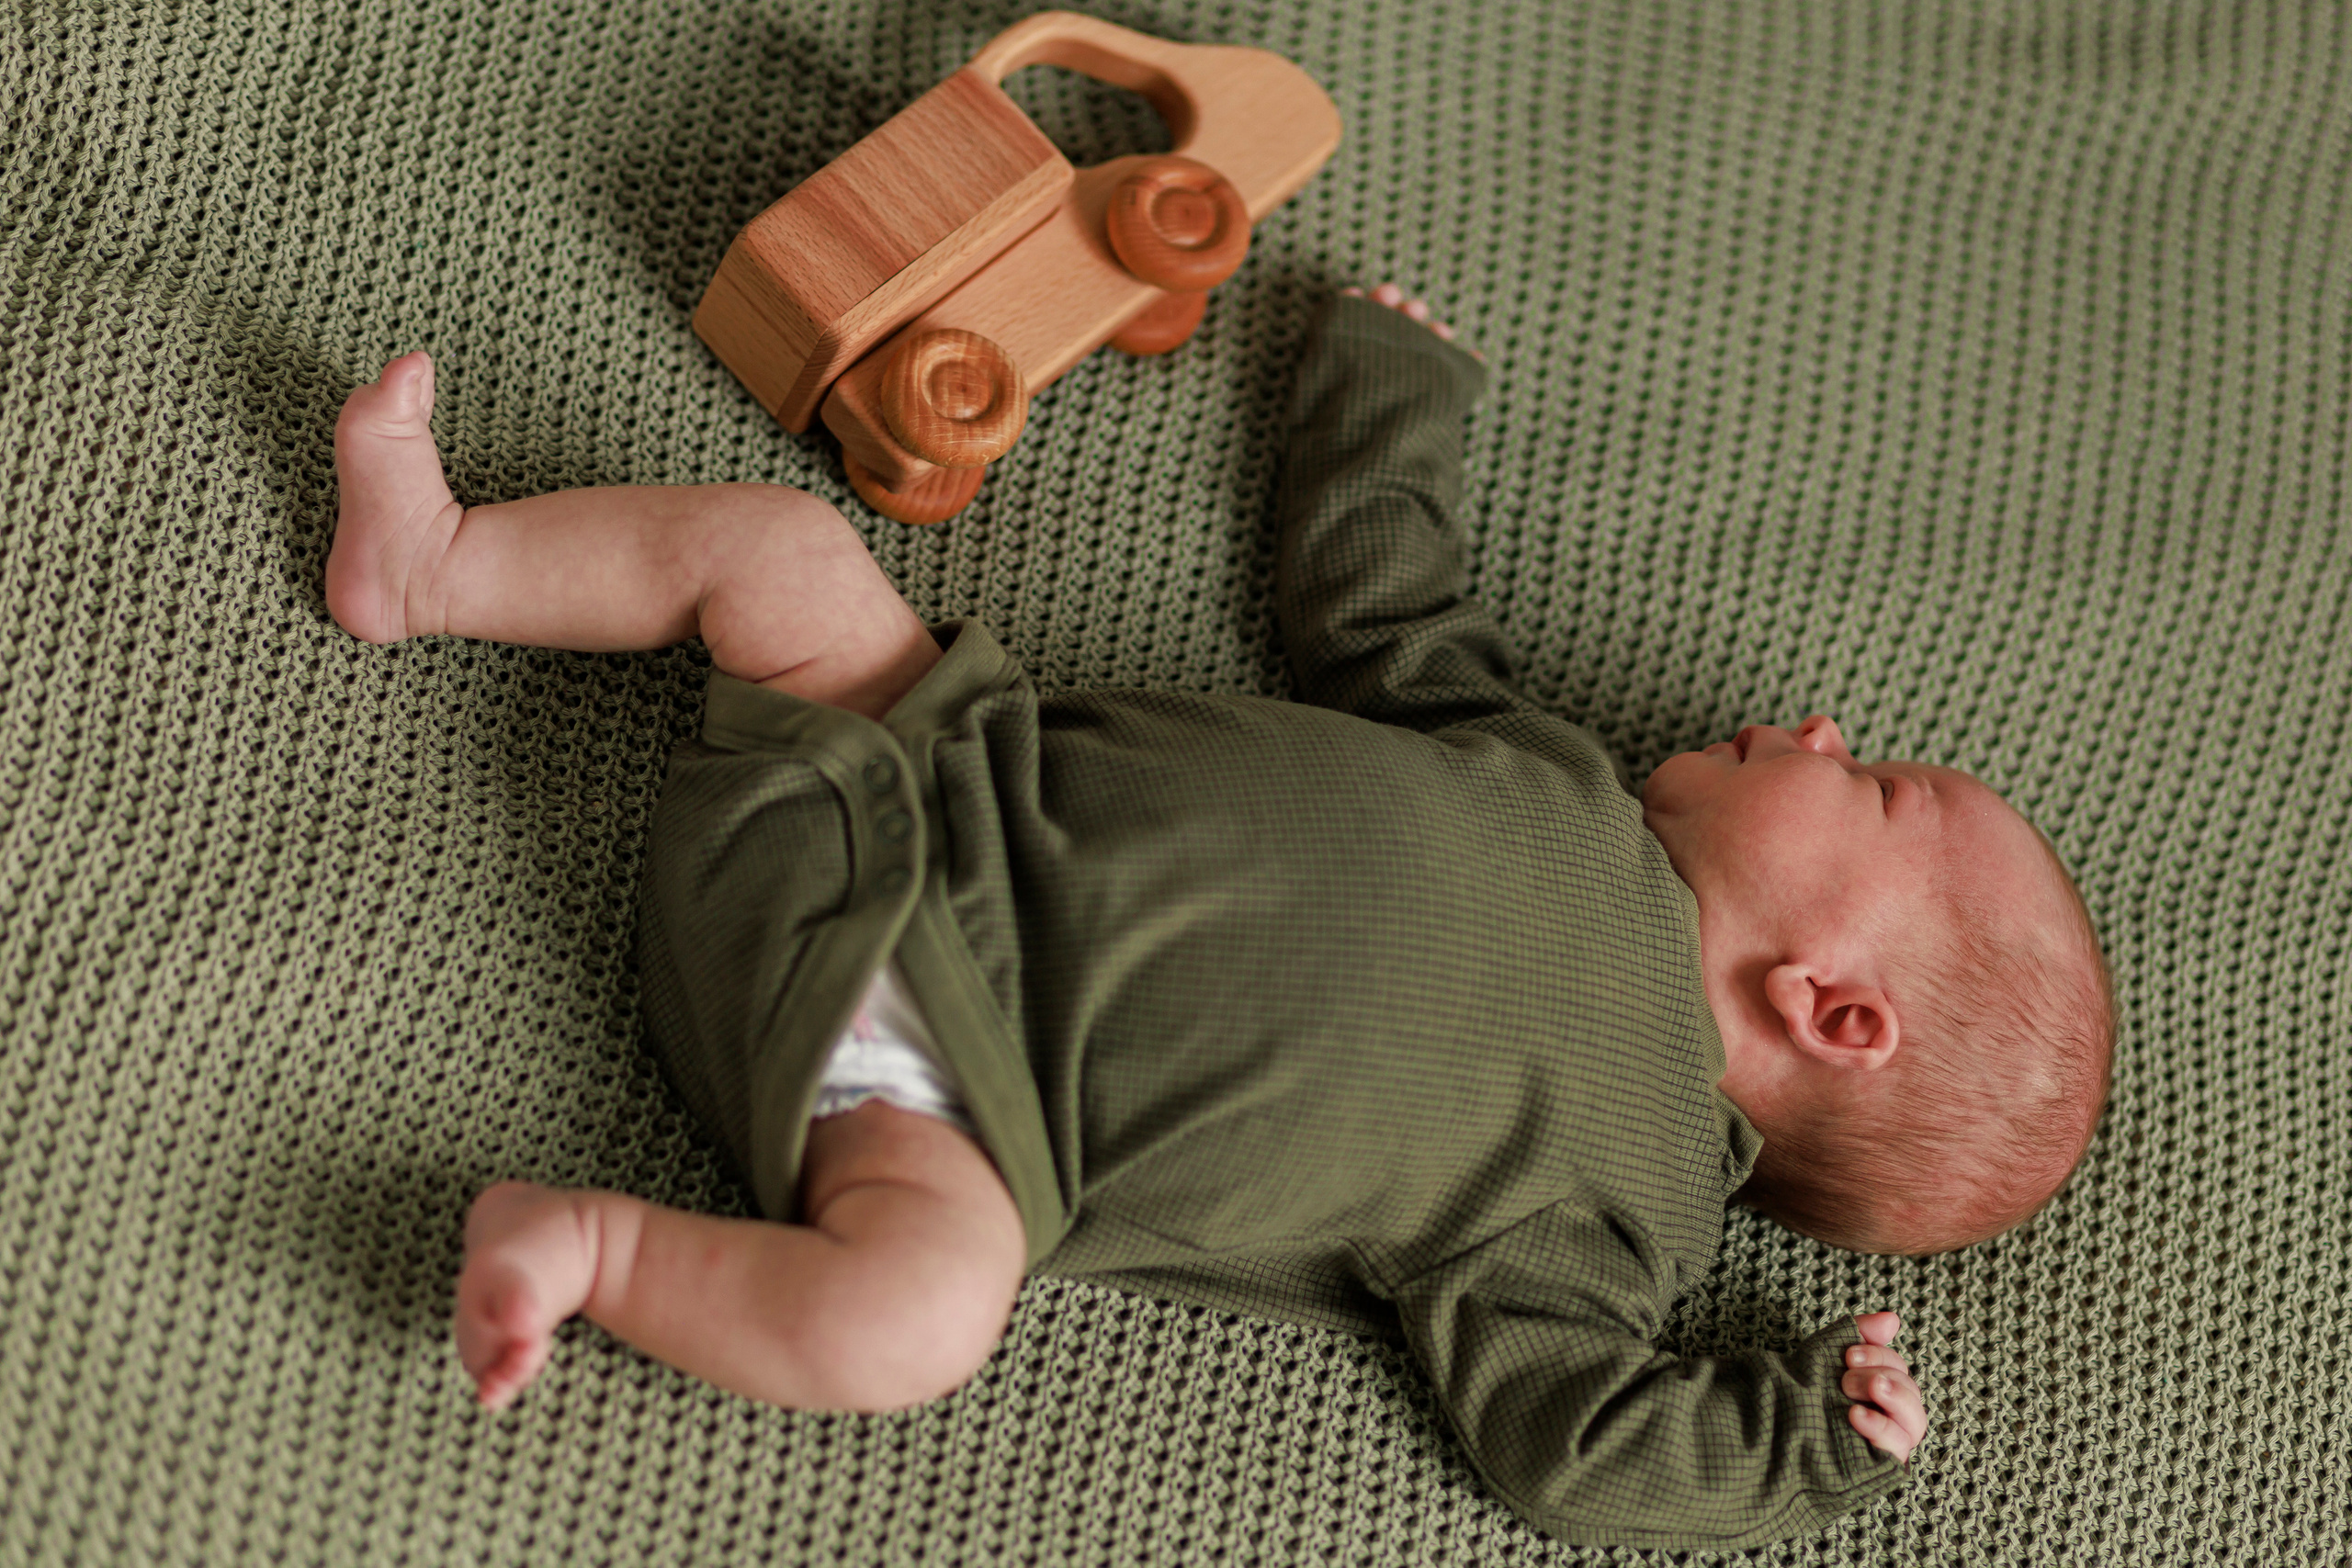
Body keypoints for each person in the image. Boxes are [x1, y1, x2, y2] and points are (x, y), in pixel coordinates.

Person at [324, 284, 2111, 1548]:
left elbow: (1568, 1442)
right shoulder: (1548, 770)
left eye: (1878, 785)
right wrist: (1389, 394)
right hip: (919, 759)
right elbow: (1382, 610)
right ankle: (434, 563)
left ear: (1834, 1011)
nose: (1822, 728)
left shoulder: (1613, 1212)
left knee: (920, 1317)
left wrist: (1795, 1440)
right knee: (784, 551)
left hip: (925, 1076)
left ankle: (595, 1255)